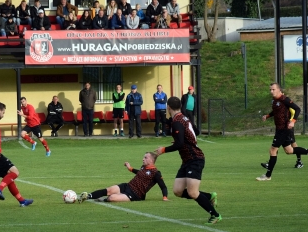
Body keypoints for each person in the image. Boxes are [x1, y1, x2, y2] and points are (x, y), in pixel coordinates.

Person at [155, 96, 221, 224]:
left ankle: (215, 215)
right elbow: (195, 131)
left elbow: (179, 144)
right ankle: (209, 196)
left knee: (192, 192)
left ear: (168, 107)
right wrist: (183, 139)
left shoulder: (177, 121)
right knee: (178, 191)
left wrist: (163, 150)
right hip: (187, 160)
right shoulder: (183, 117)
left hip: (195, 159)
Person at [256, 83, 308, 181]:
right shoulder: (275, 101)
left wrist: (293, 121)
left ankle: (267, 176)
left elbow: (297, 109)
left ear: (279, 90)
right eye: (270, 89)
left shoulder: (284, 99)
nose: (271, 91)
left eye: (273, 89)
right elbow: (276, 112)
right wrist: (267, 116)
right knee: (289, 150)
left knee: (273, 150)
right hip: (280, 129)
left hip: (283, 129)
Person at [78, 152, 168, 203]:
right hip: (127, 186)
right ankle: (88, 196)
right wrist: (130, 168)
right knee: (109, 190)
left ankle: (102, 200)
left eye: (145, 157)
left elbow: (163, 186)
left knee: (112, 198)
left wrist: (165, 197)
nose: (143, 159)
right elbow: (140, 173)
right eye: (143, 157)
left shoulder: (156, 173)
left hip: (135, 195)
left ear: (151, 160)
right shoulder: (143, 167)